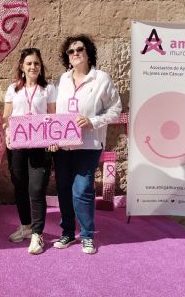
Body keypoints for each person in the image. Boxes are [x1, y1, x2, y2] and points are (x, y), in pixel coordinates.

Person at [48, 35, 121, 254]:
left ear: (89, 53)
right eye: (71, 51)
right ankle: (68, 233)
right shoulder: (62, 80)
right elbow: (55, 112)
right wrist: (51, 137)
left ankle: (88, 235)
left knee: (82, 190)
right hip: (63, 146)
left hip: (88, 144)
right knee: (62, 190)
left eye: (80, 49)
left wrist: (93, 122)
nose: (75, 53)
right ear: (67, 57)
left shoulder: (101, 79)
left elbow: (115, 109)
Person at [3, 48, 56, 255]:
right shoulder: (13, 89)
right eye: (29, 63)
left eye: (36, 63)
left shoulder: (48, 89)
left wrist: (53, 139)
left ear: (40, 66)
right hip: (17, 146)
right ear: (22, 67)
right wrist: (7, 133)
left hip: (40, 146)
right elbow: (7, 117)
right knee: (19, 187)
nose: (33, 67)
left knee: (36, 189)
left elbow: (52, 116)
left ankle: (37, 234)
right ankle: (25, 226)